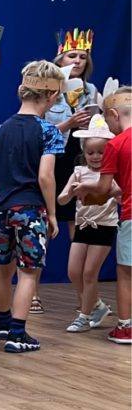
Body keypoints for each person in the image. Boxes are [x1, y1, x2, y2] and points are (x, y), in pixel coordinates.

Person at [0, 60, 65, 353]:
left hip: (0, 209)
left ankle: (3, 323)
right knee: (28, 272)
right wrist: (52, 213)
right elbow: (45, 176)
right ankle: (18, 333)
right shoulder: (48, 131)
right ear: (52, 96)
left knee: (3, 268)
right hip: (30, 209)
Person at [34, 28, 100, 312]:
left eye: (83, 57)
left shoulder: (91, 91)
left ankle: (84, 297)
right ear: (60, 59)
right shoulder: (47, 92)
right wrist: (68, 123)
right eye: (72, 56)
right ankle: (32, 293)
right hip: (51, 160)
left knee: (80, 227)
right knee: (43, 228)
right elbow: (37, 131)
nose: (77, 61)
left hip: (79, 160)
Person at [75, 85, 132, 344]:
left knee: (126, 272)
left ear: (113, 114)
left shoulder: (116, 144)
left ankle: (125, 327)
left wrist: (85, 188)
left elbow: (103, 187)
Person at [57, 114, 120, 332]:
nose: (95, 157)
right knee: (74, 271)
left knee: (89, 273)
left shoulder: (111, 174)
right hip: (82, 226)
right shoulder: (79, 172)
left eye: (101, 152)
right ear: (83, 152)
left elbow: (122, 197)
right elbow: (62, 198)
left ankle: (84, 316)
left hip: (104, 226)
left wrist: (115, 191)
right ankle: (97, 305)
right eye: (90, 152)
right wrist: (70, 193)